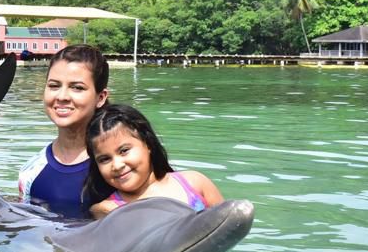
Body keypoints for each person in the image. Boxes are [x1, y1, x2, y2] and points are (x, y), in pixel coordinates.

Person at [84, 103, 223, 219]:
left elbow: (230, 222)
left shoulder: (194, 183)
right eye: (105, 159)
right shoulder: (107, 210)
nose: (117, 165)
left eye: (124, 150)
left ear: (148, 144)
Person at [17, 45, 110, 218]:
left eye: (77, 88)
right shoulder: (31, 170)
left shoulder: (119, 164)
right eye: (53, 86)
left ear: (101, 97)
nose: (62, 96)